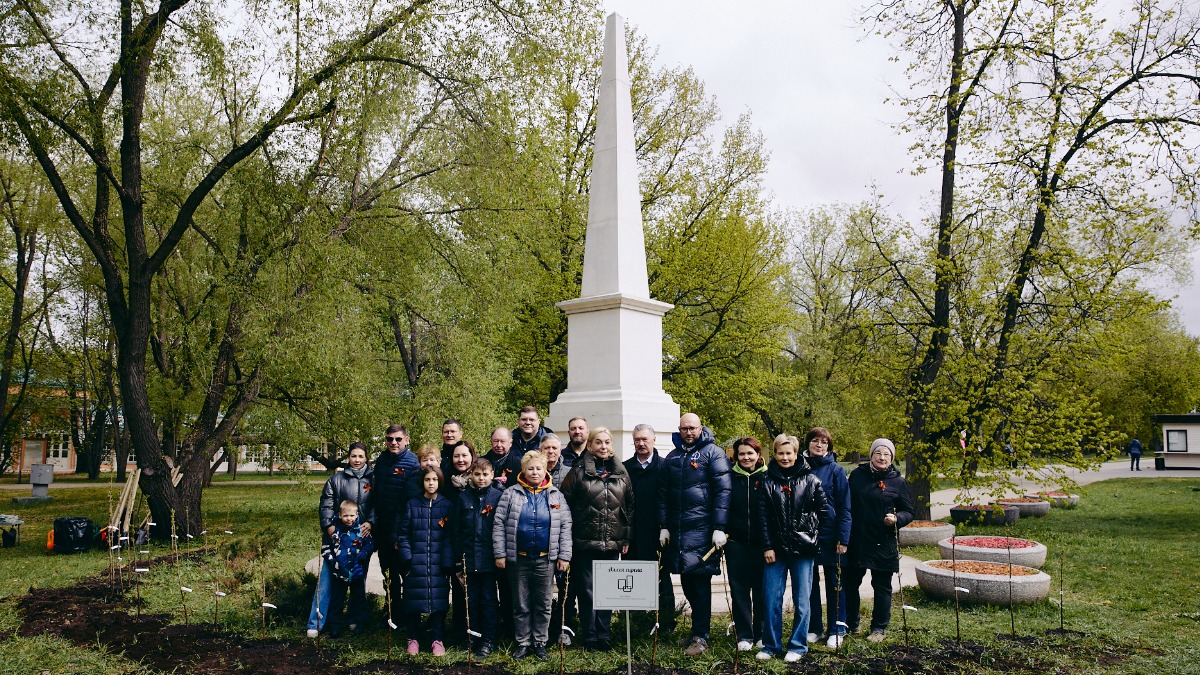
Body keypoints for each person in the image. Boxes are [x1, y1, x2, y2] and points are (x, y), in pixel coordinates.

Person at [658, 413, 732, 656]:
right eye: (684, 428)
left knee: (700, 585)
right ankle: (695, 632)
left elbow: (723, 492)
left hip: (703, 532)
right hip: (679, 533)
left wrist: (719, 527)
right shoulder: (673, 456)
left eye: (692, 428)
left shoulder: (713, 453)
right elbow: (664, 494)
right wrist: (664, 525)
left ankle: (701, 636)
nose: (688, 432)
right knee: (688, 583)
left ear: (701, 428)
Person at [755, 434, 831, 663]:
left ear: (796, 454)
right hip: (775, 551)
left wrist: (811, 534)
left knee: (802, 600)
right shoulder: (767, 482)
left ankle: (798, 646)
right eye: (780, 453)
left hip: (803, 550)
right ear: (775, 455)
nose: (785, 457)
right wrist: (767, 546)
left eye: (789, 453)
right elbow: (762, 518)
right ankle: (771, 645)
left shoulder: (811, 480)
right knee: (771, 598)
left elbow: (825, 512)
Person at [493, 450, 573, 660]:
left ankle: (539, 642)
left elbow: (565, 526)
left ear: (545, 470)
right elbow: (499, 524)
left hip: (546, 559)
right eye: (530, 468)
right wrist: (500, 553)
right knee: (521, 603)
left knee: (543, 604)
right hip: (518, 558)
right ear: (523, 471)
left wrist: (564, 556)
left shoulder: (556, 495)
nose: (535, 472)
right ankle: (523, 642)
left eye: (539, 468)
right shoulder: (511, 494)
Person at [561, 427, 634, 651]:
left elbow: (629, 507)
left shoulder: (621, 473)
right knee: (587, 592)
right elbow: (565, 506)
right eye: (598, 442)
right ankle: (590, 637)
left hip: (612, 543)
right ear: (590, 446)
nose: (603, 446)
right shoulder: (577, 472)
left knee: (607, 591)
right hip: (585, 542)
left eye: (607, 442)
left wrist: (626, 538)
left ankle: (604, 635)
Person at [844, 438, 913, 643]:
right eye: (878, 453)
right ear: (871, 455)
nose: (882, 457)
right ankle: (852, 624)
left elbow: (909, 511)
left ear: (891, 458)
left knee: (882, 587)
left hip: (883, 541)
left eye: (886, 454)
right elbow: (846, 504)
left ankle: (878, 628)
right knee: (850, 584)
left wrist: (897, 519)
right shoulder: (857, 476)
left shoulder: (898, 482)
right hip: (857, 539)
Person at [308, 442, 375, 637]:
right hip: (337, 539)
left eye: (361, 456)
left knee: (357, 580)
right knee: (328, 581)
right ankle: (317, 622)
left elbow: (376, 505)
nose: (357, 460)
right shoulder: (336, 480)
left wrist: (370, 522)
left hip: (360, 539)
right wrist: (329, 527)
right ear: (348, 457)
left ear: (366, 458)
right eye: (353, 456)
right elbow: (326, 506)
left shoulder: (373, 479)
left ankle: (354, 620)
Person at [623, 424, 676, 637]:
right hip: (634, 535)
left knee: (662, 580)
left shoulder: (665, 467)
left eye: (645, 439)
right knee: (633, 580)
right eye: (637, 440)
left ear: (654, 440)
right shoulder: (625, 468)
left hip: (658, 534)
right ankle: (636, 625)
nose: (641, 443)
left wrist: (666, 527)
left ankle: (666, 625)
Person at [398, 465, 455, 656]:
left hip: (438, 564)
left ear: (440, 482)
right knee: (412, 600)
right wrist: (408, 558)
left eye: (435, 480)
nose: (431, 483)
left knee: (439, 601)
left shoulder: (447, 505)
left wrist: (447, 562)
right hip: (416, 562)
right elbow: (404, 534)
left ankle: (437, 639)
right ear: (422, 482)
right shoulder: (412, 504)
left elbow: (449, 536)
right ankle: (413, 637)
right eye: (427, 479)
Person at [804, 427, 852, 649]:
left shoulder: (836, 471)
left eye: (824, 442)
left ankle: (837, 628)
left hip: (831, 536)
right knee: (809, 583)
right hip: (806, 535)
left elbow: (844, 507)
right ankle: (814, 628)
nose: (819, 445)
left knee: (835, 583)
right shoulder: (800, 467)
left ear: (829, 447)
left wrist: (843, 538)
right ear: (808, 443)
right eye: (815, 440)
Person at [455, 458, 503, 658]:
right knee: (471, 601)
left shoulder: (498, 497)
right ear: (471, 475)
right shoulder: (463, 497)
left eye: (485, 474)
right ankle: (472, 637)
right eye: (477, 474)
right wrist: (459, 562)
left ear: (492, 475)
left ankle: (488, 640)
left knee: (488, 600)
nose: (481, 478)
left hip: (489, 561)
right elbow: (457, 530)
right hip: (469, 559)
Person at [372, 425, 418, 629]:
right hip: (383, 527)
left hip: (402, 531)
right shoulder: (381, 461)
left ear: (406, 440)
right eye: (390, 439)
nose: (394, 443)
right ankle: (391, 611)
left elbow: (410, 502)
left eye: (398, 439)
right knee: (388, 573)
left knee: (405, 573)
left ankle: (408, 615)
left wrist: (400, 534)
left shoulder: (412, 463)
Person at [726, 437, 766, 652]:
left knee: (761, 590)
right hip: (736, 543)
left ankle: (761, 633)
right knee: (739, 590)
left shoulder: (767, 477)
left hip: (762, 544)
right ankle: (744, 634)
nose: (746, 457)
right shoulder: (730, 478)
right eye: (742, 453)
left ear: (758, 455)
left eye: (750, 453)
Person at [321, 500, 375, 637]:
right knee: (337, 600)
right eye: (345, 516)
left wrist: (363, 555)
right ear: (339, 515)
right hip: (340, 572)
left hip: (356, 571)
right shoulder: (335, 532)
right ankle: (335, 626)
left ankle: (359, 623)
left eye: (352, 516)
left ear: (357, 515)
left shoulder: (362, 531)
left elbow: (370, 545)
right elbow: (325, 548)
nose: (349, 519)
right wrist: (333, 562)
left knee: (359, 598)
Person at [442, 440, 477, 643]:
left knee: (477, 593)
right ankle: (459, 633)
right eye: (457, 456)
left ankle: (476, 632)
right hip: (454, 541)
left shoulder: (478, 480)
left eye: (465, 455)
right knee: (458, 589)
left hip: (475, 543)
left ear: (472, 456)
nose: (461, 459)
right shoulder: (447, 482)